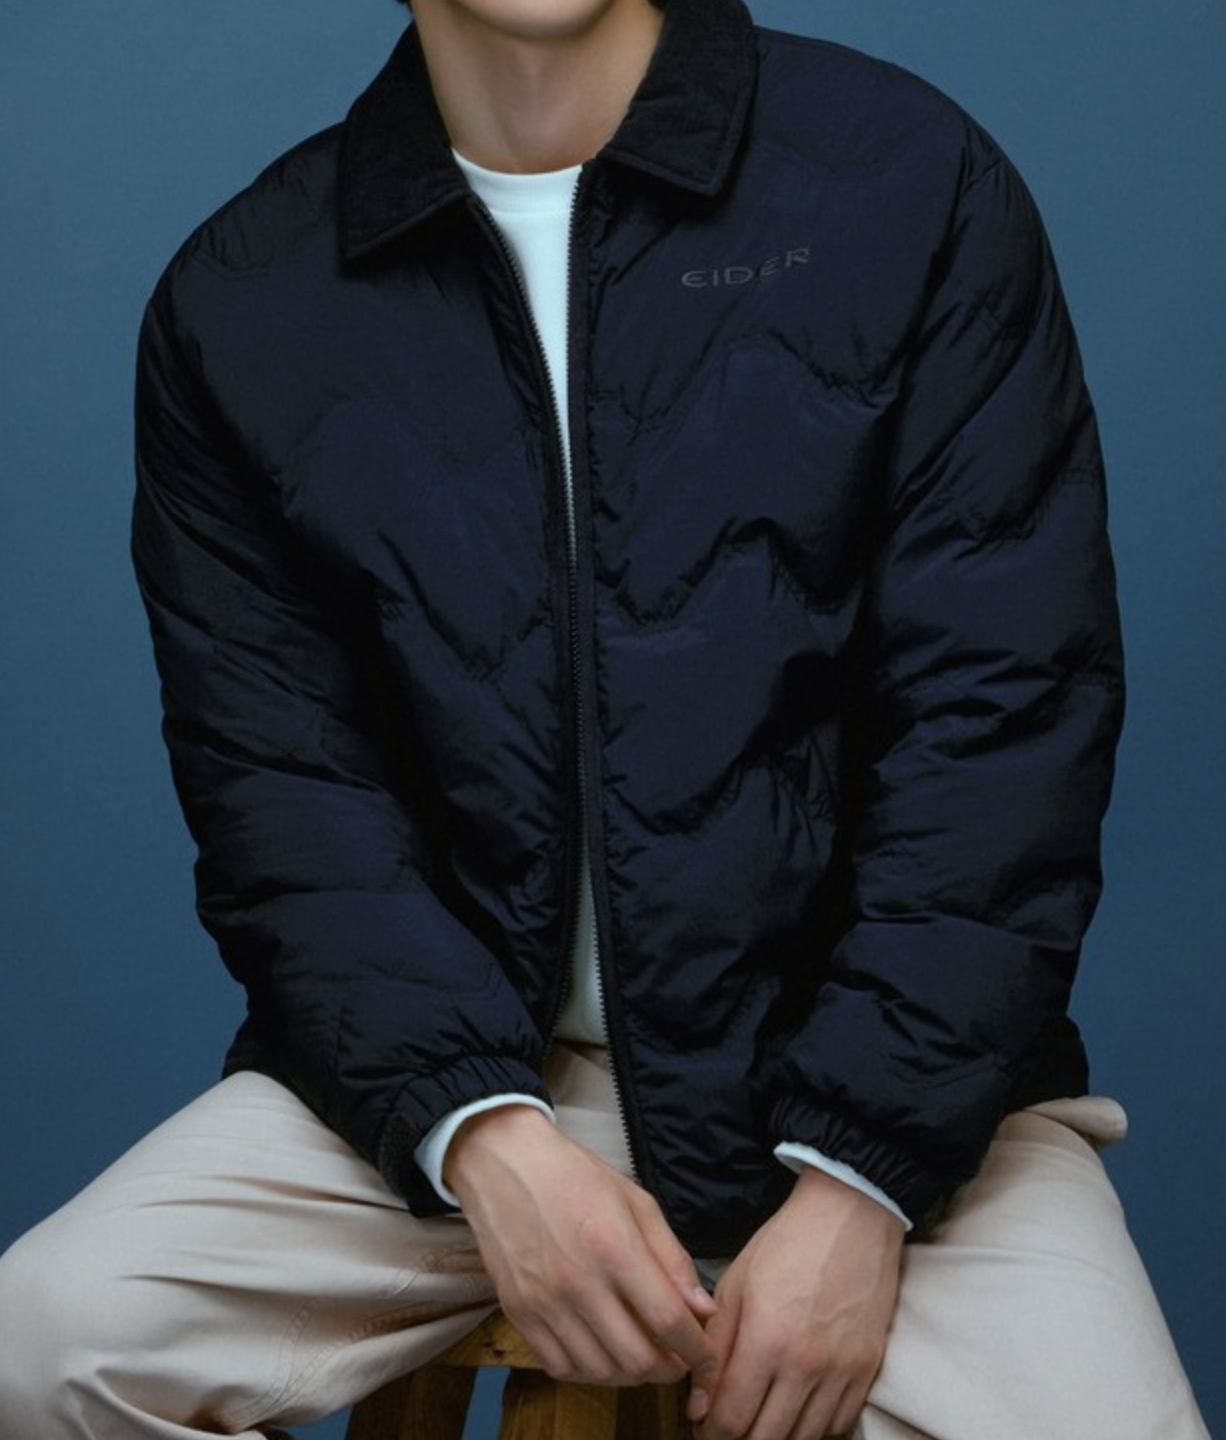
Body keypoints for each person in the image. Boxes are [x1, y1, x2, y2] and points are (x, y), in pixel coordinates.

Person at [0, 0, 1209, 1437]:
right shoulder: (242, 296)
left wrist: (859, 1180)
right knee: (38, 1348)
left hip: (881, 1092)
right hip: (451, 1093)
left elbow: (1003, 727)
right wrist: (481, 1136)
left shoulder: (905, 176)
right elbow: (285, 803)